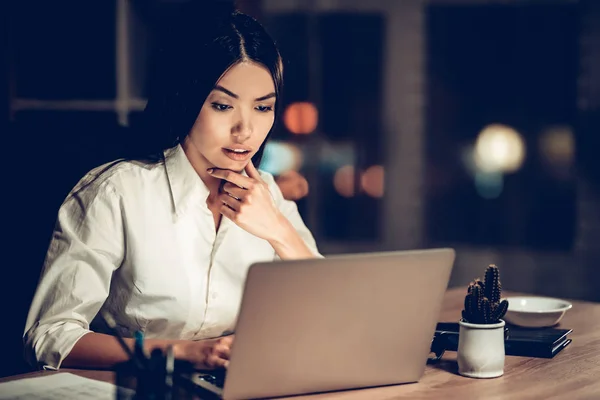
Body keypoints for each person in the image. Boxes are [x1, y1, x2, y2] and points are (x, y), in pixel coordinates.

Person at [23, 4, 321, 372]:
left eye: (263, 108)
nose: (245, 130)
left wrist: (278, 230)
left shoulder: (269, 196)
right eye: (223, 105)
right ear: (186, 100)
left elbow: (332, 316)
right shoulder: (117, 193)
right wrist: (184, 352)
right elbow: (50, 336)